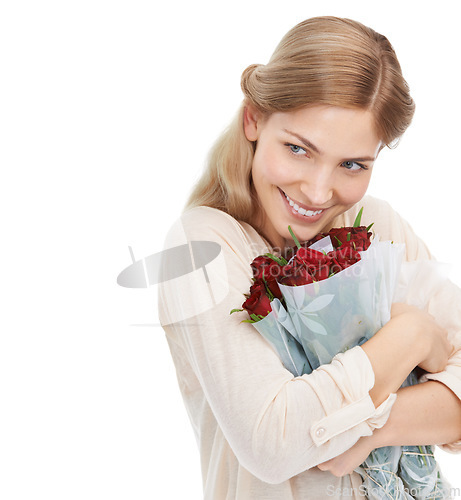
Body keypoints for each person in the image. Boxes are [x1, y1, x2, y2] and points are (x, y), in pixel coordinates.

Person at [158, 16, 461, 499]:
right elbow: (272, 443)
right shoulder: (203, 248)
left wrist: (372, 430)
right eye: (298, 149)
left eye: (352, 164)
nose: (318, 192)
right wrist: (412, 335)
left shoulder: (376, 224)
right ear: (253, 118)